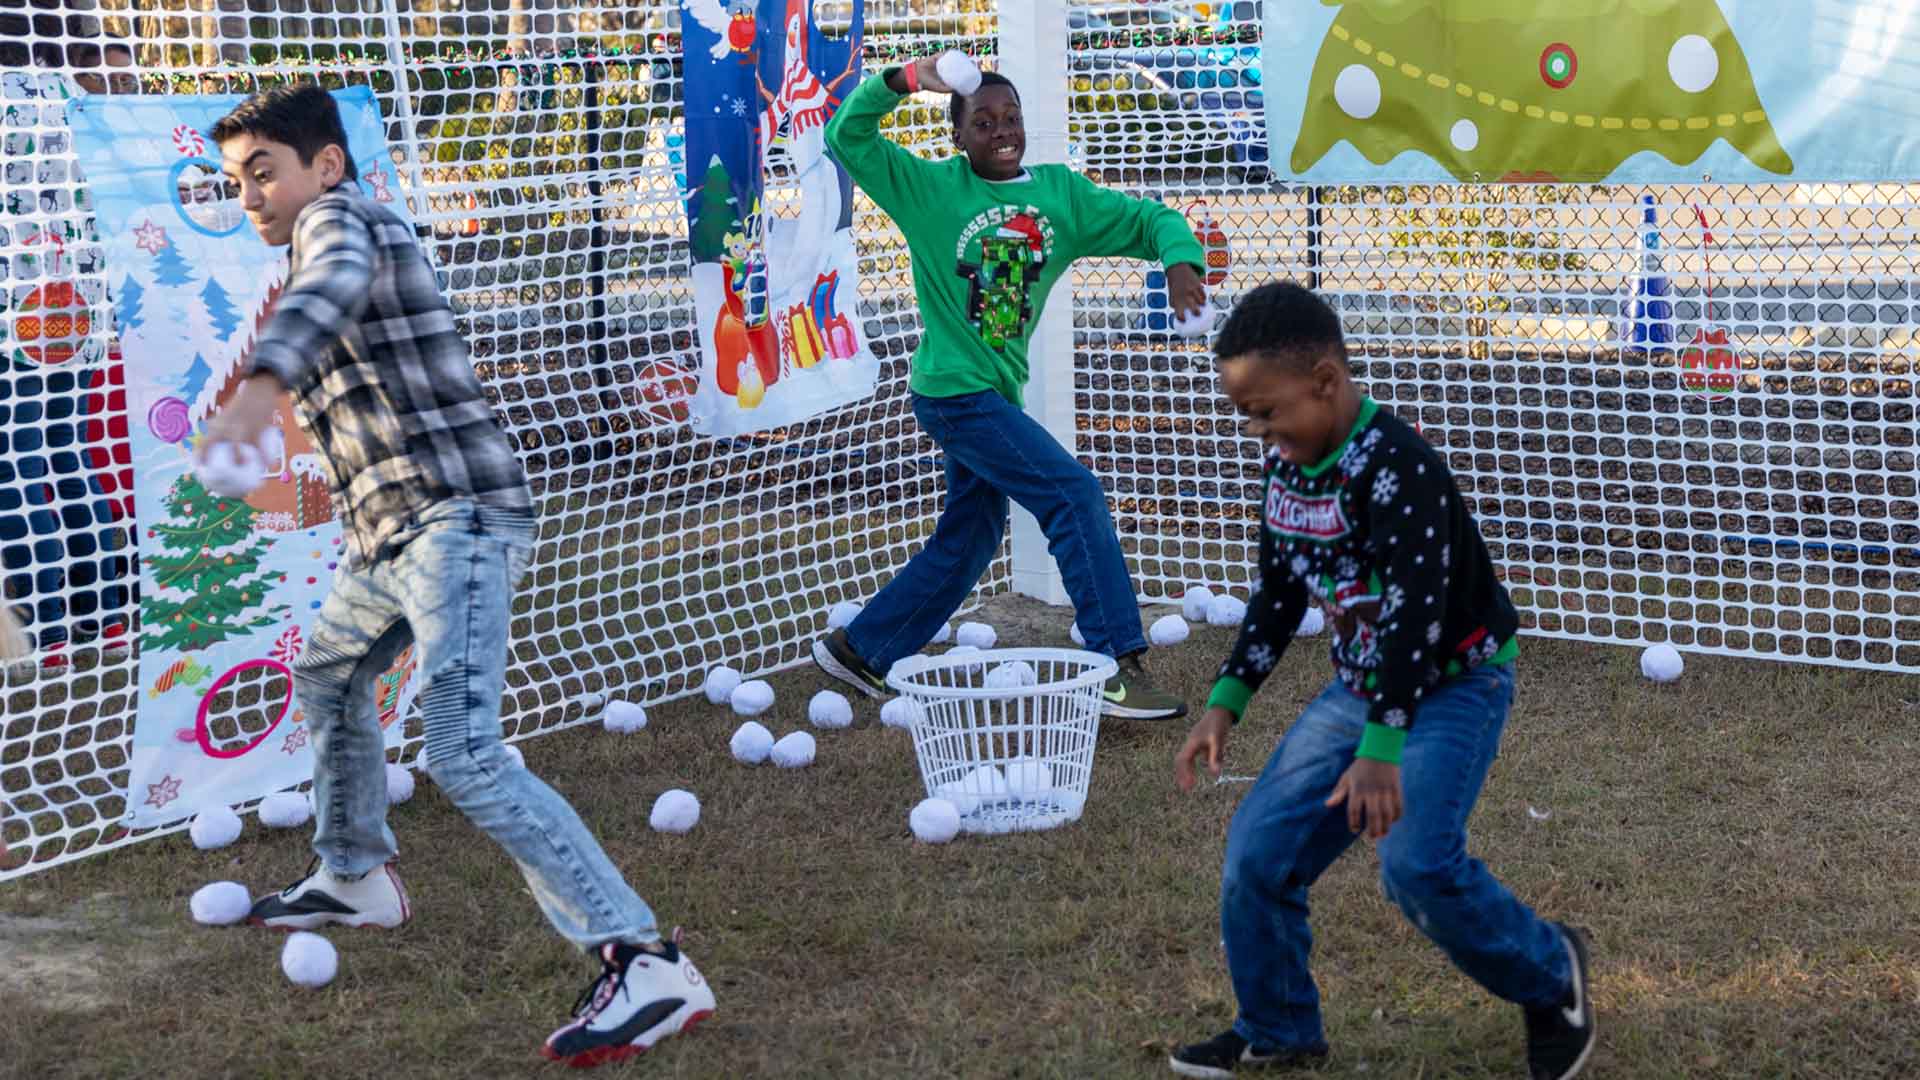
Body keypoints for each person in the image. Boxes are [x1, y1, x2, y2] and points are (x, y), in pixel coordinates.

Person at [201, 83, 713, 1067]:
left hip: (455, 521)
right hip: (392, 537)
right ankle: (354, 873)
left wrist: (258, 392)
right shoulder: (327, 238)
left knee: (465, 752)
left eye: (263, 171)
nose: (250, 195)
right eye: (237, 181)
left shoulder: (340, 224)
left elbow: (325, 289)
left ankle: (646, 961)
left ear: (326, 166)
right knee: (329, 675)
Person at [1167, 282, 1593, 1079]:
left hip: (1454, 683)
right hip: (1365, 686)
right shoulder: (1286, 470)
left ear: (1326, 381)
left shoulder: (1401, 468)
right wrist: (1227, 702)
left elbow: (1416, 618)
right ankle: (1278, 1027)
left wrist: (1380, 748)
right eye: (1248, 418)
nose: (1261, 434)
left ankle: (1552, 971)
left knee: (1415, 865)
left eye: (1268, 413)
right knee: (1259, 854)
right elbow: (1279, 593)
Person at [814, 56, 1205, 720]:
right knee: (1073, 494)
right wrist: (906, 79)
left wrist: (1180, 262)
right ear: (957, 136)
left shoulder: (1059, 196)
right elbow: (846, 136)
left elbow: (1150, 219)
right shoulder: (929, 190)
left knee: (971, 536)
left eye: (1012, 118)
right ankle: (1116, 665)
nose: (1002, 131)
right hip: (953, 393)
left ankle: (862, 649)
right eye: (983, 121)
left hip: (994, 395)